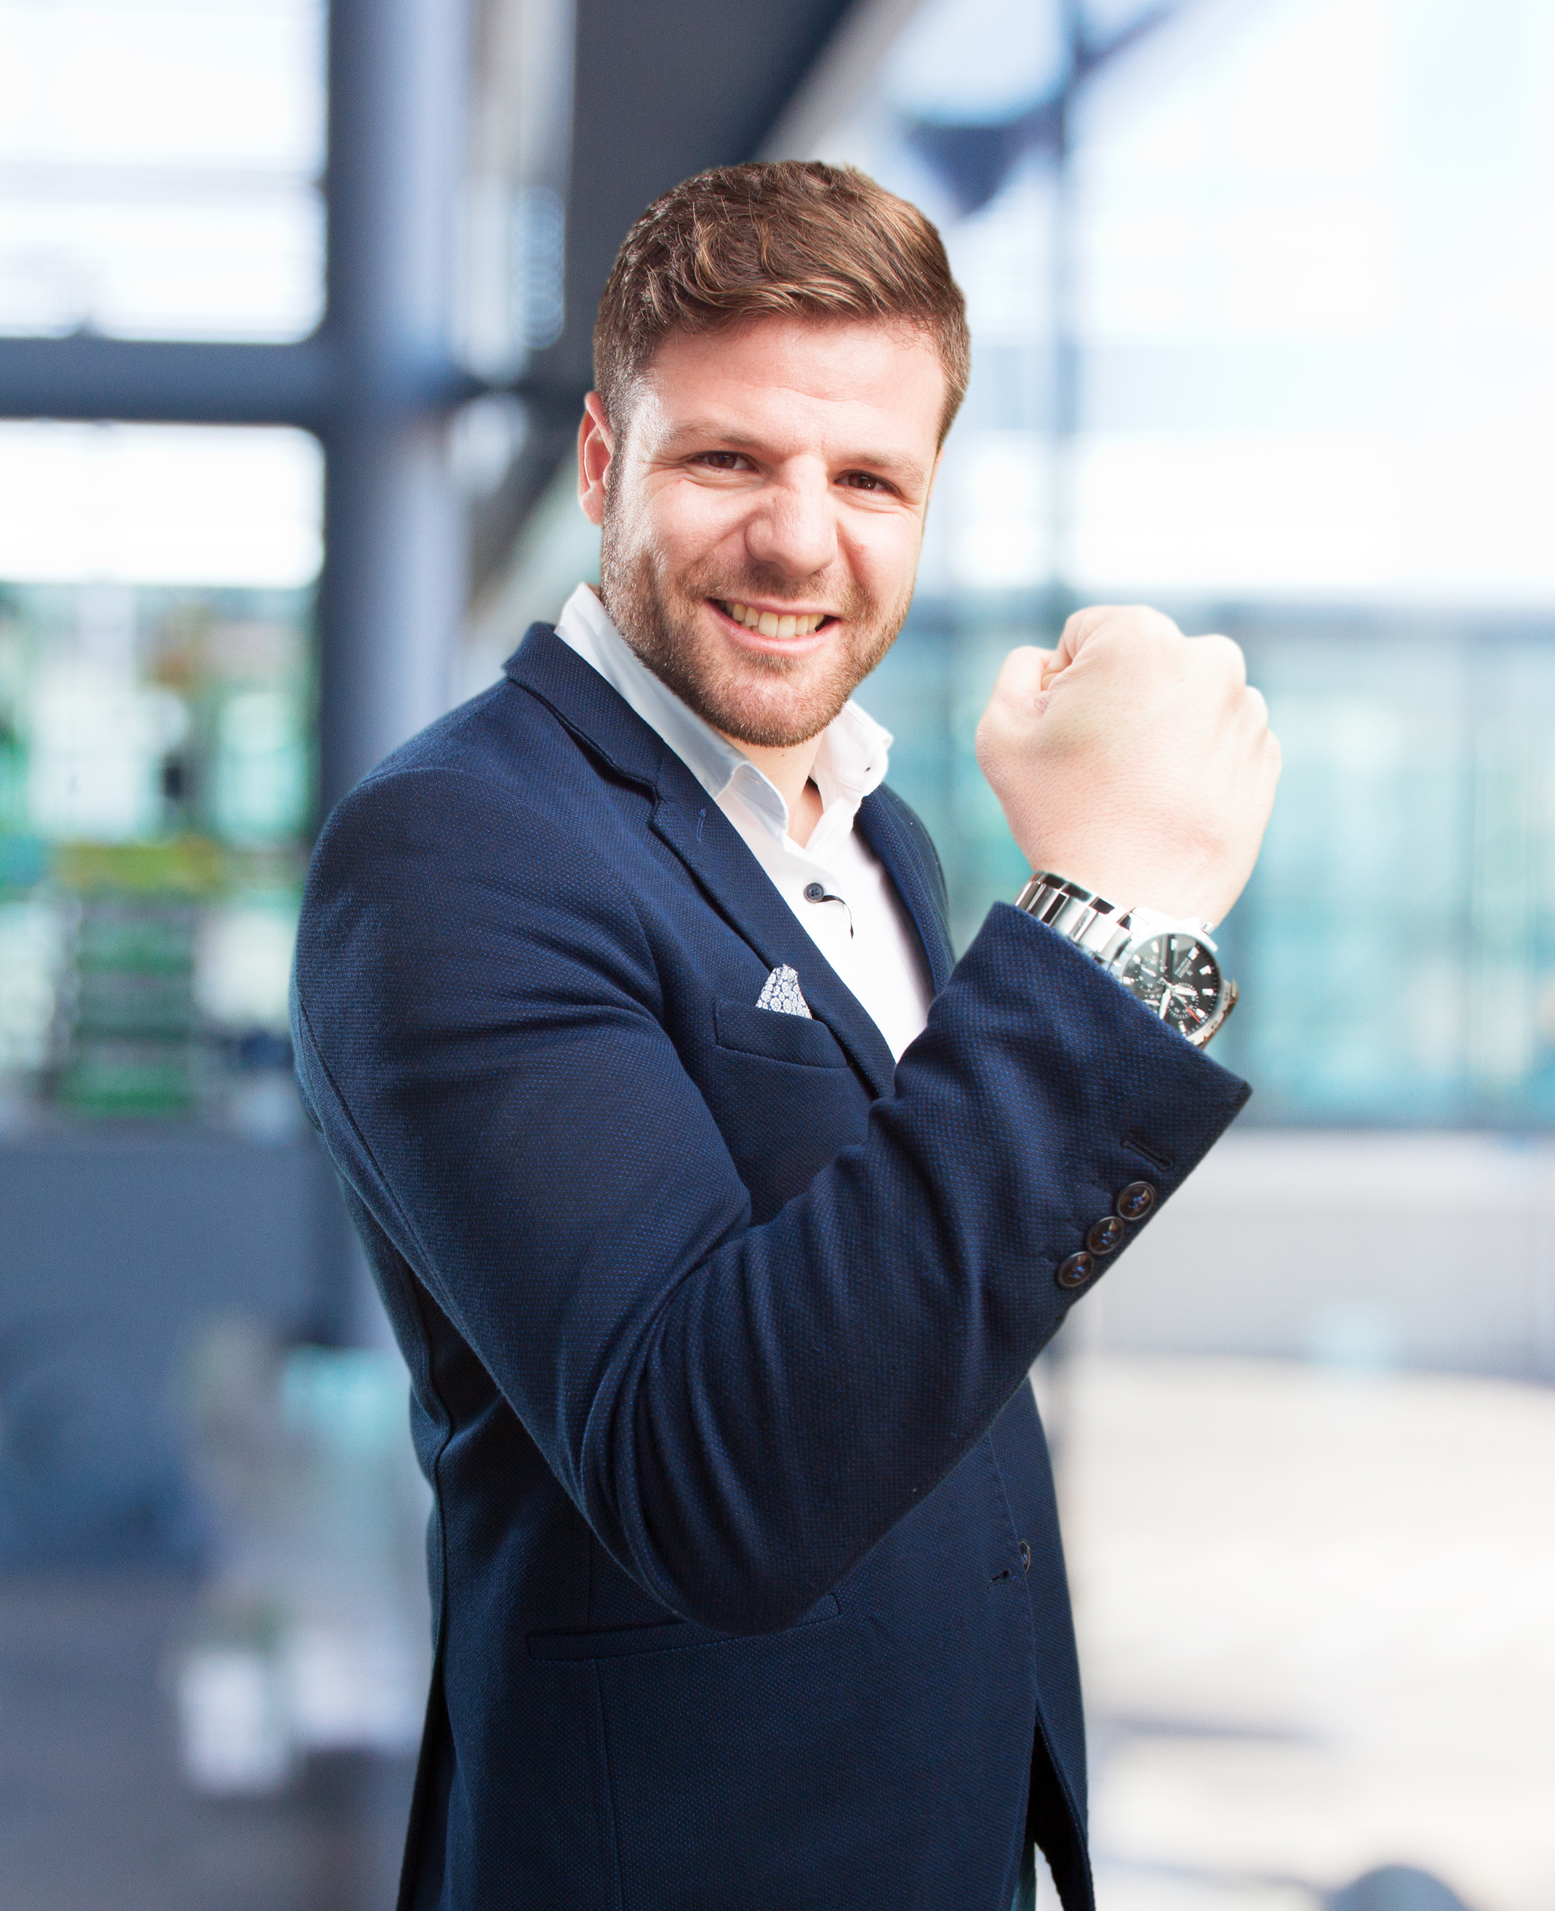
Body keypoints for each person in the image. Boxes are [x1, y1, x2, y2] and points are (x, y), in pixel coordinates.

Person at [291, 160, 1281, 1911]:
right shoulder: (454, 851)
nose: (801, 536)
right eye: (729, 458)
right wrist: (1112, 915)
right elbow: (713, 1478)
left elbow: (926, 1294)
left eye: (870, 478)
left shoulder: (872, 831)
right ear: (604, 463)